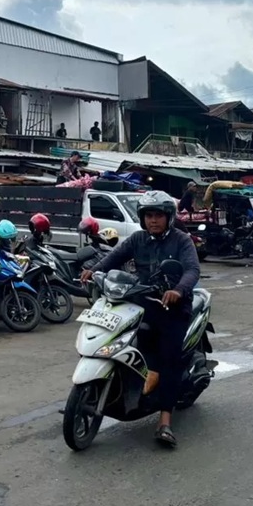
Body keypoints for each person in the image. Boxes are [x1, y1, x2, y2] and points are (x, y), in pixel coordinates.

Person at [81, 190, 200, 448]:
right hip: (142, 301)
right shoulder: (137, 239)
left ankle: (165, 420)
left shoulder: (181, 240)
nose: (153, 221)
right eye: (148, 215)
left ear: (168, 217)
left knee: (169, 359)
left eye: (158, 215)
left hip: (173, 308)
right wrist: (94, 271)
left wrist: (178, 290)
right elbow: (114, 258)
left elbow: (192, 269)